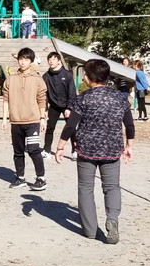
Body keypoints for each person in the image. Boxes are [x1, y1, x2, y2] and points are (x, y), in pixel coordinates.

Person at [53, 59, 134, 244]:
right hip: (112, 149)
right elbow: (129, 125)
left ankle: (90, 230)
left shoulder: (82, 99)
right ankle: (112, 218)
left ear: (89, 77)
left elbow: (71, 126)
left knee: (86, 188)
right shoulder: (120, 98)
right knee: (112, 187)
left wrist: (60, 147)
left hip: (86, 150)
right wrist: (129, 145)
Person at [3, 48, 48, 191]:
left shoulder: (37, 79)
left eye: (26, 59)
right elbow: (5, 99)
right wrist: (4, 118)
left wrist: (42, 118)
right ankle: (20, 178)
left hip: (33, 121)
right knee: (18, 151)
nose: (23, 62)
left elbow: (42, 99)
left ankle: (41, 178)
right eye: (21, 59)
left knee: (34, 150)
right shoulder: (11, 78)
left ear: (31, 61)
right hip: (16, 121)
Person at [41, 52, 75, 159]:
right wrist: (45, 109)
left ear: (59, 61)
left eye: (54, 59)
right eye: (49, 59)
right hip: (54, 106)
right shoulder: (46, 76)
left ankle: (75, 151)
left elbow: (72, 92)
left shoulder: (67, 74)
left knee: (71, 127)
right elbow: (44, 94)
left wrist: (69, 108)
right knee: (50, 127)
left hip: (67, 105)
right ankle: (46, 150)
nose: (51, 61)